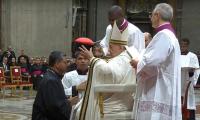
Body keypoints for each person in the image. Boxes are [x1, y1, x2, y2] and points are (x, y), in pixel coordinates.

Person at [76, 20, 138, 120]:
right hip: (122, 99)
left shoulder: (123, 58)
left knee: (79, 111)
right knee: (79, 107)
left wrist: (92, 58)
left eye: (111, 47)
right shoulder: (127, 56)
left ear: (121, 47)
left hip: (116, 103)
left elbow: (108, 71)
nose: (108, 50)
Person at [130, 3, 182, 120]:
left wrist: (137, 63)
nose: (150, 17)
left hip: (158, 89)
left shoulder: (163, 35)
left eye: (151, 14)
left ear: (157, 15)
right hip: (164, 85)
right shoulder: (170, 35)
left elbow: (152, 62)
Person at [32, 51, 78, 120]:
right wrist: (69, 103)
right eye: (65, 62)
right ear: (57, 63)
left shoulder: (52, 76)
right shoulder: (51, 80)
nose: (67, 65)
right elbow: (55, 108)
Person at [180, 38, 200, 120]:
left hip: (189, 80)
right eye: (181, 45)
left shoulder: (193, 56)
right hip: (179, 81)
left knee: (189, 100)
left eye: (185, 45)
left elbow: (197, 69)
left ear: (188, 46)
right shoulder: (177, 55)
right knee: (179, 99)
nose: (183, 47)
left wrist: (192, 75)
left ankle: (190, 117)